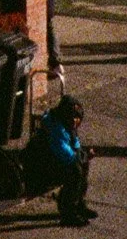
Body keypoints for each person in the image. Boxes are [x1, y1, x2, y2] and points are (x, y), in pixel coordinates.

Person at [25, 92, 94, 225]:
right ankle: (68, 212)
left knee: (82, 165)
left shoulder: (66, 125)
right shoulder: (55, 129)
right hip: (39, 170)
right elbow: (67, 156)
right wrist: (83, 156)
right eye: (74, 118)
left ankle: (78, 202)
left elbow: (76, 147)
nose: (76, 122)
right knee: (75, 171)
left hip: (52, 162)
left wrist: (84, 155)